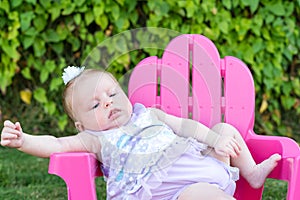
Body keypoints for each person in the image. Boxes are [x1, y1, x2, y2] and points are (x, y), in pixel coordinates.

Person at [1, 66, 281, 200]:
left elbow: (188, 127)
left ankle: (252, 173)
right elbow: (57, 144)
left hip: (206, 165)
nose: (108, 102)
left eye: (112, 94)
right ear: (82, 125)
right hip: (179, 191)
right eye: (95, 104)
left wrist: (216, 140)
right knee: (203, 196)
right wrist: (24, 140)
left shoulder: (150, 114)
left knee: (225, 130)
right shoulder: (96, 138)